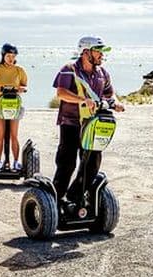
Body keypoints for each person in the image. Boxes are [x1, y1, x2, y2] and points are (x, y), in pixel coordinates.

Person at [52, 36, 124, 209]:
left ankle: (73, 198)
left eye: (101, 52)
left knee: (92, 165)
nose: (101, 55)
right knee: (67, 165)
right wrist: (83, 100)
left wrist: (116, 103)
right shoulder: (69, 70)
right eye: (98, 51)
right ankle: (54, 202)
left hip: (93, 124)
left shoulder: (102, 73)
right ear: (85, 52)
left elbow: (110, 94)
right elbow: (61, 93)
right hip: (71, 123)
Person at [0, 43, 28, 171]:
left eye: (13, 56)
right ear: (3, 55)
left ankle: (15, 161)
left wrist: (21, 89)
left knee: (14, 135)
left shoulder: (19, 70)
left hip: (14, 105)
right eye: (8, 56)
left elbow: (24, 86)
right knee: (0, 134)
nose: (11, 58)